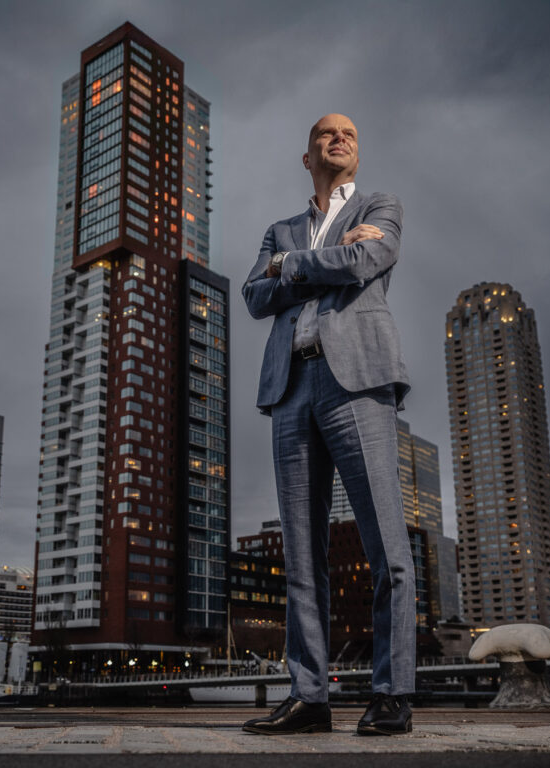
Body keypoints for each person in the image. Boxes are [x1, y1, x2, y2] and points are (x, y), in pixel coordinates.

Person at [240, 114, 415, 736]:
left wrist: (290, 266)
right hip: (290, 389)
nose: (338, 138)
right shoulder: (279, 227)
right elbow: (253, 295)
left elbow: (370, 258)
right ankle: (309, 696)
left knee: (385, 545)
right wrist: (315, 260)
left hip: (356, 381)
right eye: (325, 133)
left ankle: (392, 691)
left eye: (349, 134)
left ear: (357, 156)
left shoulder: (380, 204)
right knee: (300, 553)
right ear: (307, 155)